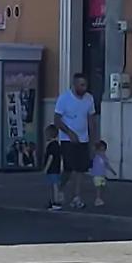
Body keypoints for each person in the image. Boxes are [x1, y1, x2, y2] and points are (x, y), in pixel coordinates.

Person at [54, 72, 97, 209]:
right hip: (67, 139)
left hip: (83, 139)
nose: (84, 88)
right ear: (75, 85)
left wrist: (93, 141)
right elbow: (57, 120)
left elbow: (91, 120)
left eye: (85, 85)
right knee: (69, 168)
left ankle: (76, 197)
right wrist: (69, 133)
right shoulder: (64, 98)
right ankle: (58, 189)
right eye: (81, 85)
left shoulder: (89, 99)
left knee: (81, 169)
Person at [42, 124, 63, 211]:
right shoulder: (57, 145)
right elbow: (60, 157)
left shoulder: (51, 146)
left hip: (52, 169)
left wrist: (46, 168)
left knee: (54, 186)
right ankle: (54, 200)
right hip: (56, 168)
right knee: (55, 185)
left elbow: (50, 157)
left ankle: (56, 202)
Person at [90, 140, 117, 207]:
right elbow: (93, 150)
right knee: (98, 187)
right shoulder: (96, 156)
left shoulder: (104, 157)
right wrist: (95, 145)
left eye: (103, 150)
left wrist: (112, 171)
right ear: (97, 150)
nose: (102, 152)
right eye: (100, 150)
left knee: (102, 187)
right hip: (97, 175)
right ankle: (97, 199)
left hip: (102, 175)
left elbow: (107, 165)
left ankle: (99, 198)